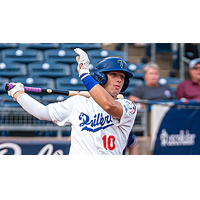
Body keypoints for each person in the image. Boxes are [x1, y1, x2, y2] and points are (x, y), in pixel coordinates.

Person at [7, 48, 137, 155]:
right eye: (114, 75)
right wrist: (17, 93)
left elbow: (109, 106)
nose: (119, 80)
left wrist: (85, 75)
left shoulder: (129, 106)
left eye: (122, 77)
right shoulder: (77, 103)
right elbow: (42, 112)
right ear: (101, 77)